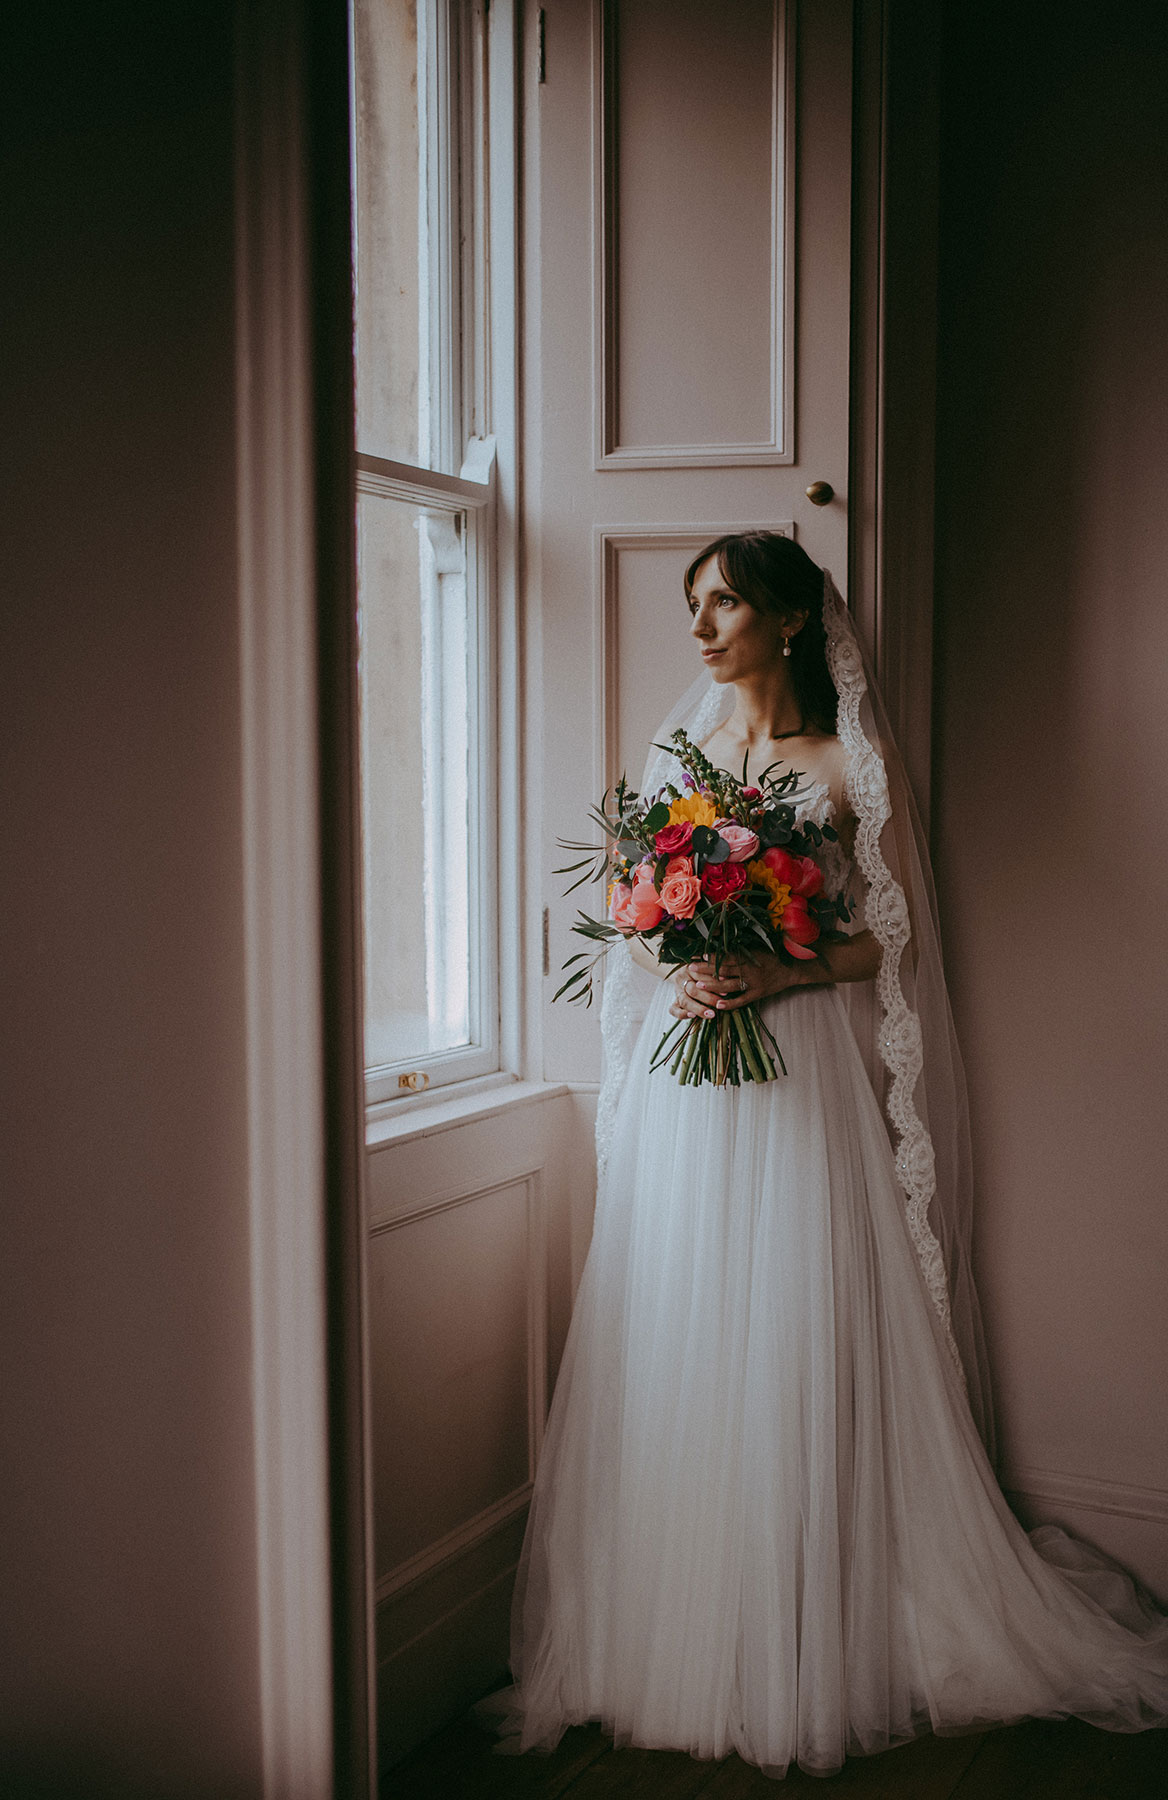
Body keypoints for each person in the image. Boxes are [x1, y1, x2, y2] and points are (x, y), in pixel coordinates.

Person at [486, 533, 1168, 1778]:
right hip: (695, 1093)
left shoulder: (847, 765)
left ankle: (812, 1629)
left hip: (804, 1089)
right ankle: (673, 1636)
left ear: (792, 620)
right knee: (682, 1335)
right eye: (694, 606)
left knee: (799, 1331)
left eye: (726, 603)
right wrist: (682, 962)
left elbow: (890, 948)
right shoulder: (679, 758)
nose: (699, 629)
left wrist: (776, 966)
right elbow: (635, 922)